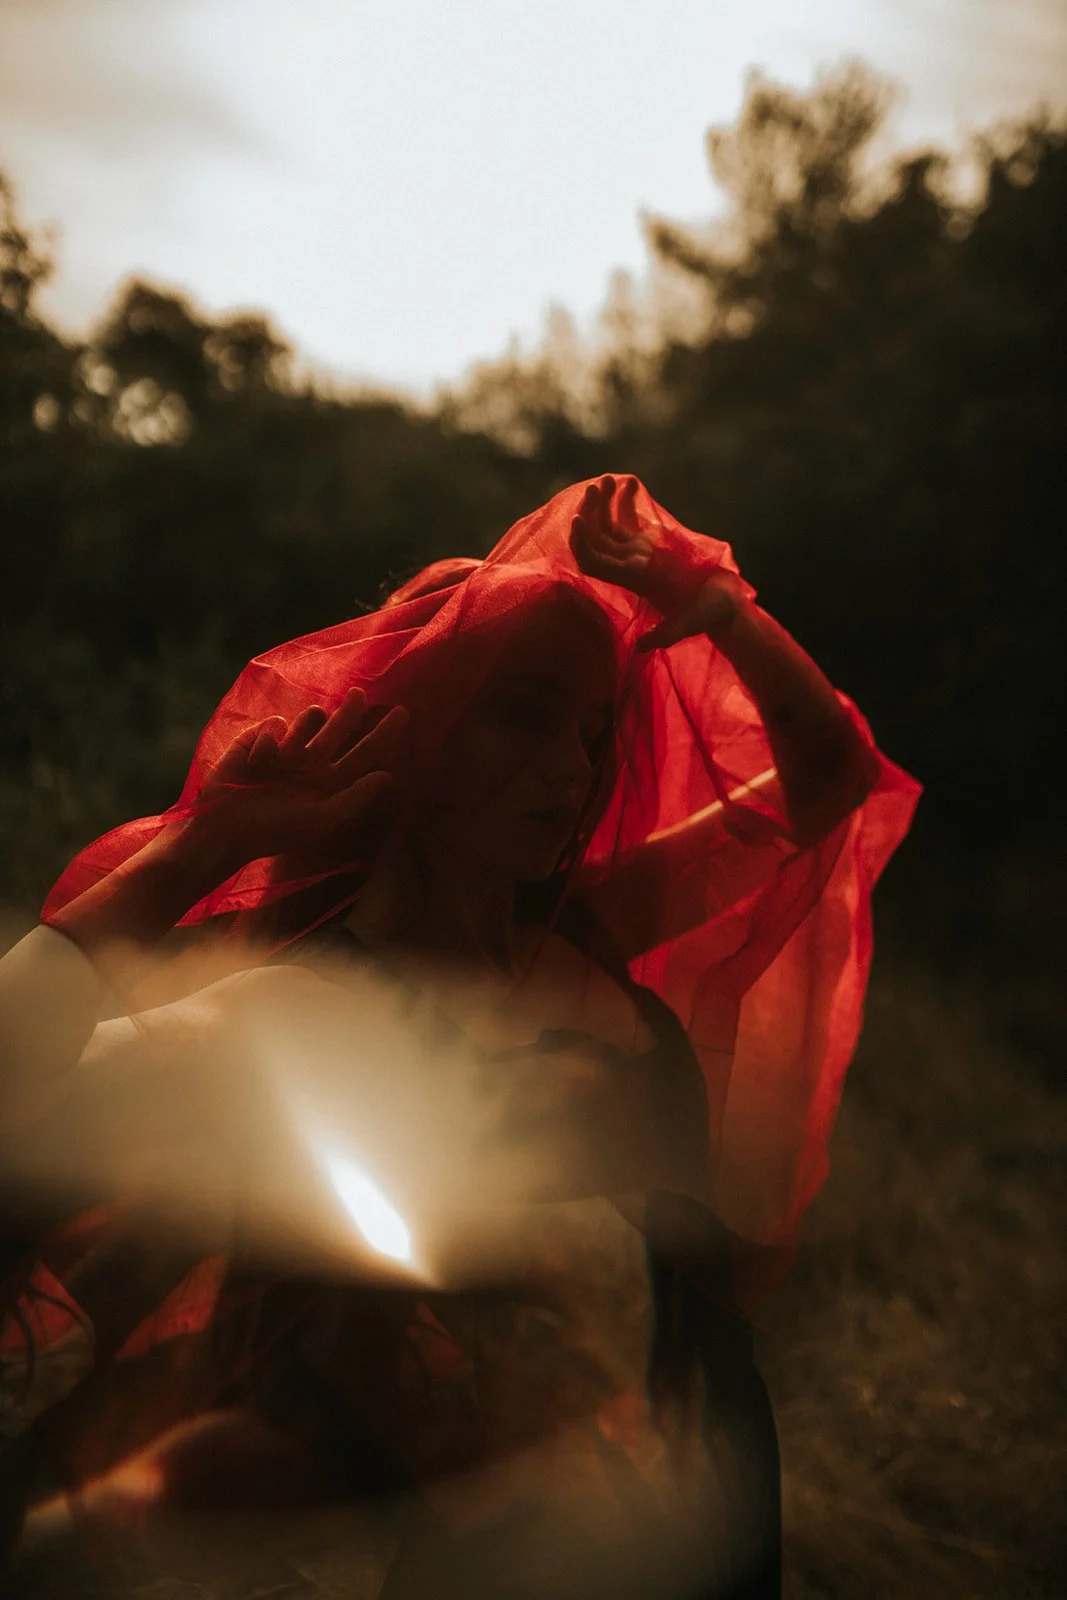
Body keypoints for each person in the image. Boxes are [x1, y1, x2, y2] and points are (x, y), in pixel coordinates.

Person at [0, 475, 919, 1596]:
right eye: (523, 713)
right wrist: (200, 845)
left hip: (692, 1470)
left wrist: (720, 610)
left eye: (588, 733)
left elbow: (825, 781)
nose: (569, 768)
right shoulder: (290, 998)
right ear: (425, 730)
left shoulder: (591, 922)